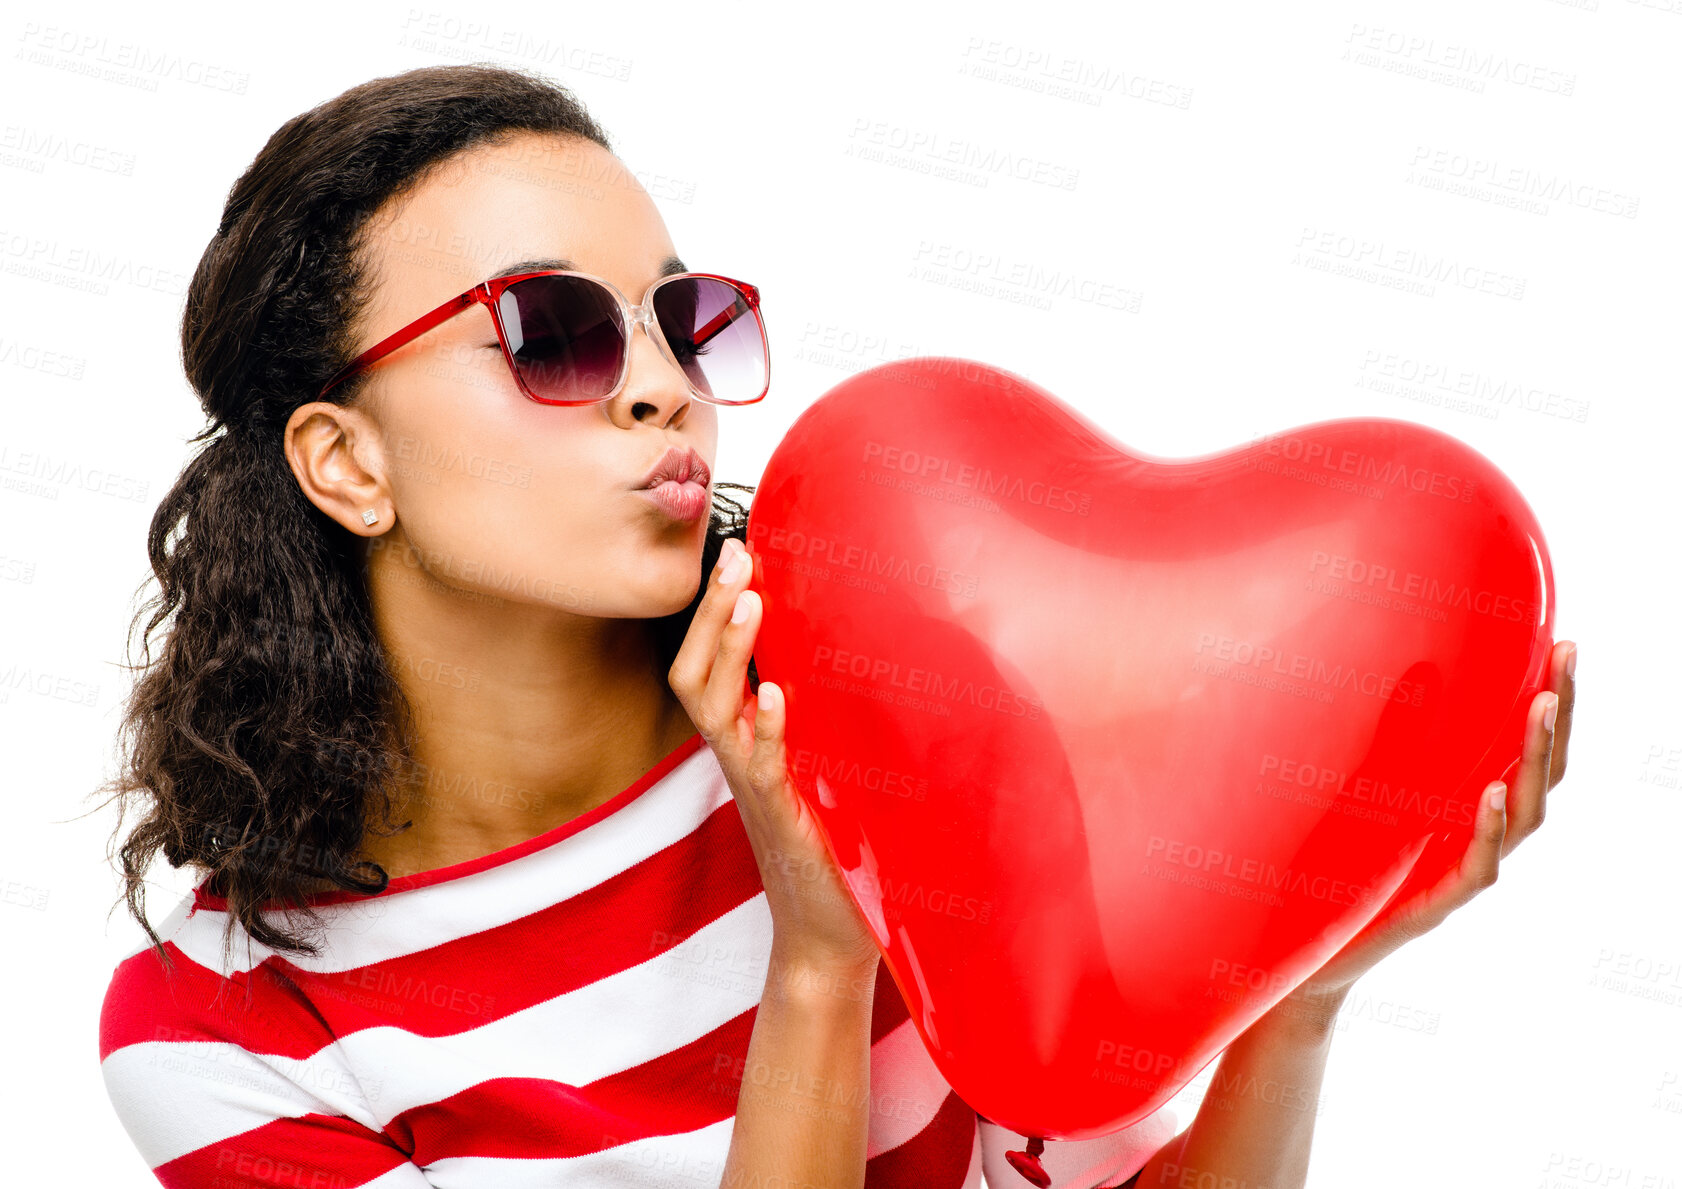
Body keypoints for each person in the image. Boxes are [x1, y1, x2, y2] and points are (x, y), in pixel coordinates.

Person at [96, 63, 1578, 1189]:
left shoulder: (889, 711)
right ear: (344, 462)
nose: (665, 383)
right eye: (554, 330)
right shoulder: (220, 1025)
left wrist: (1300, 991)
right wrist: (821, 962)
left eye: (683, 317)